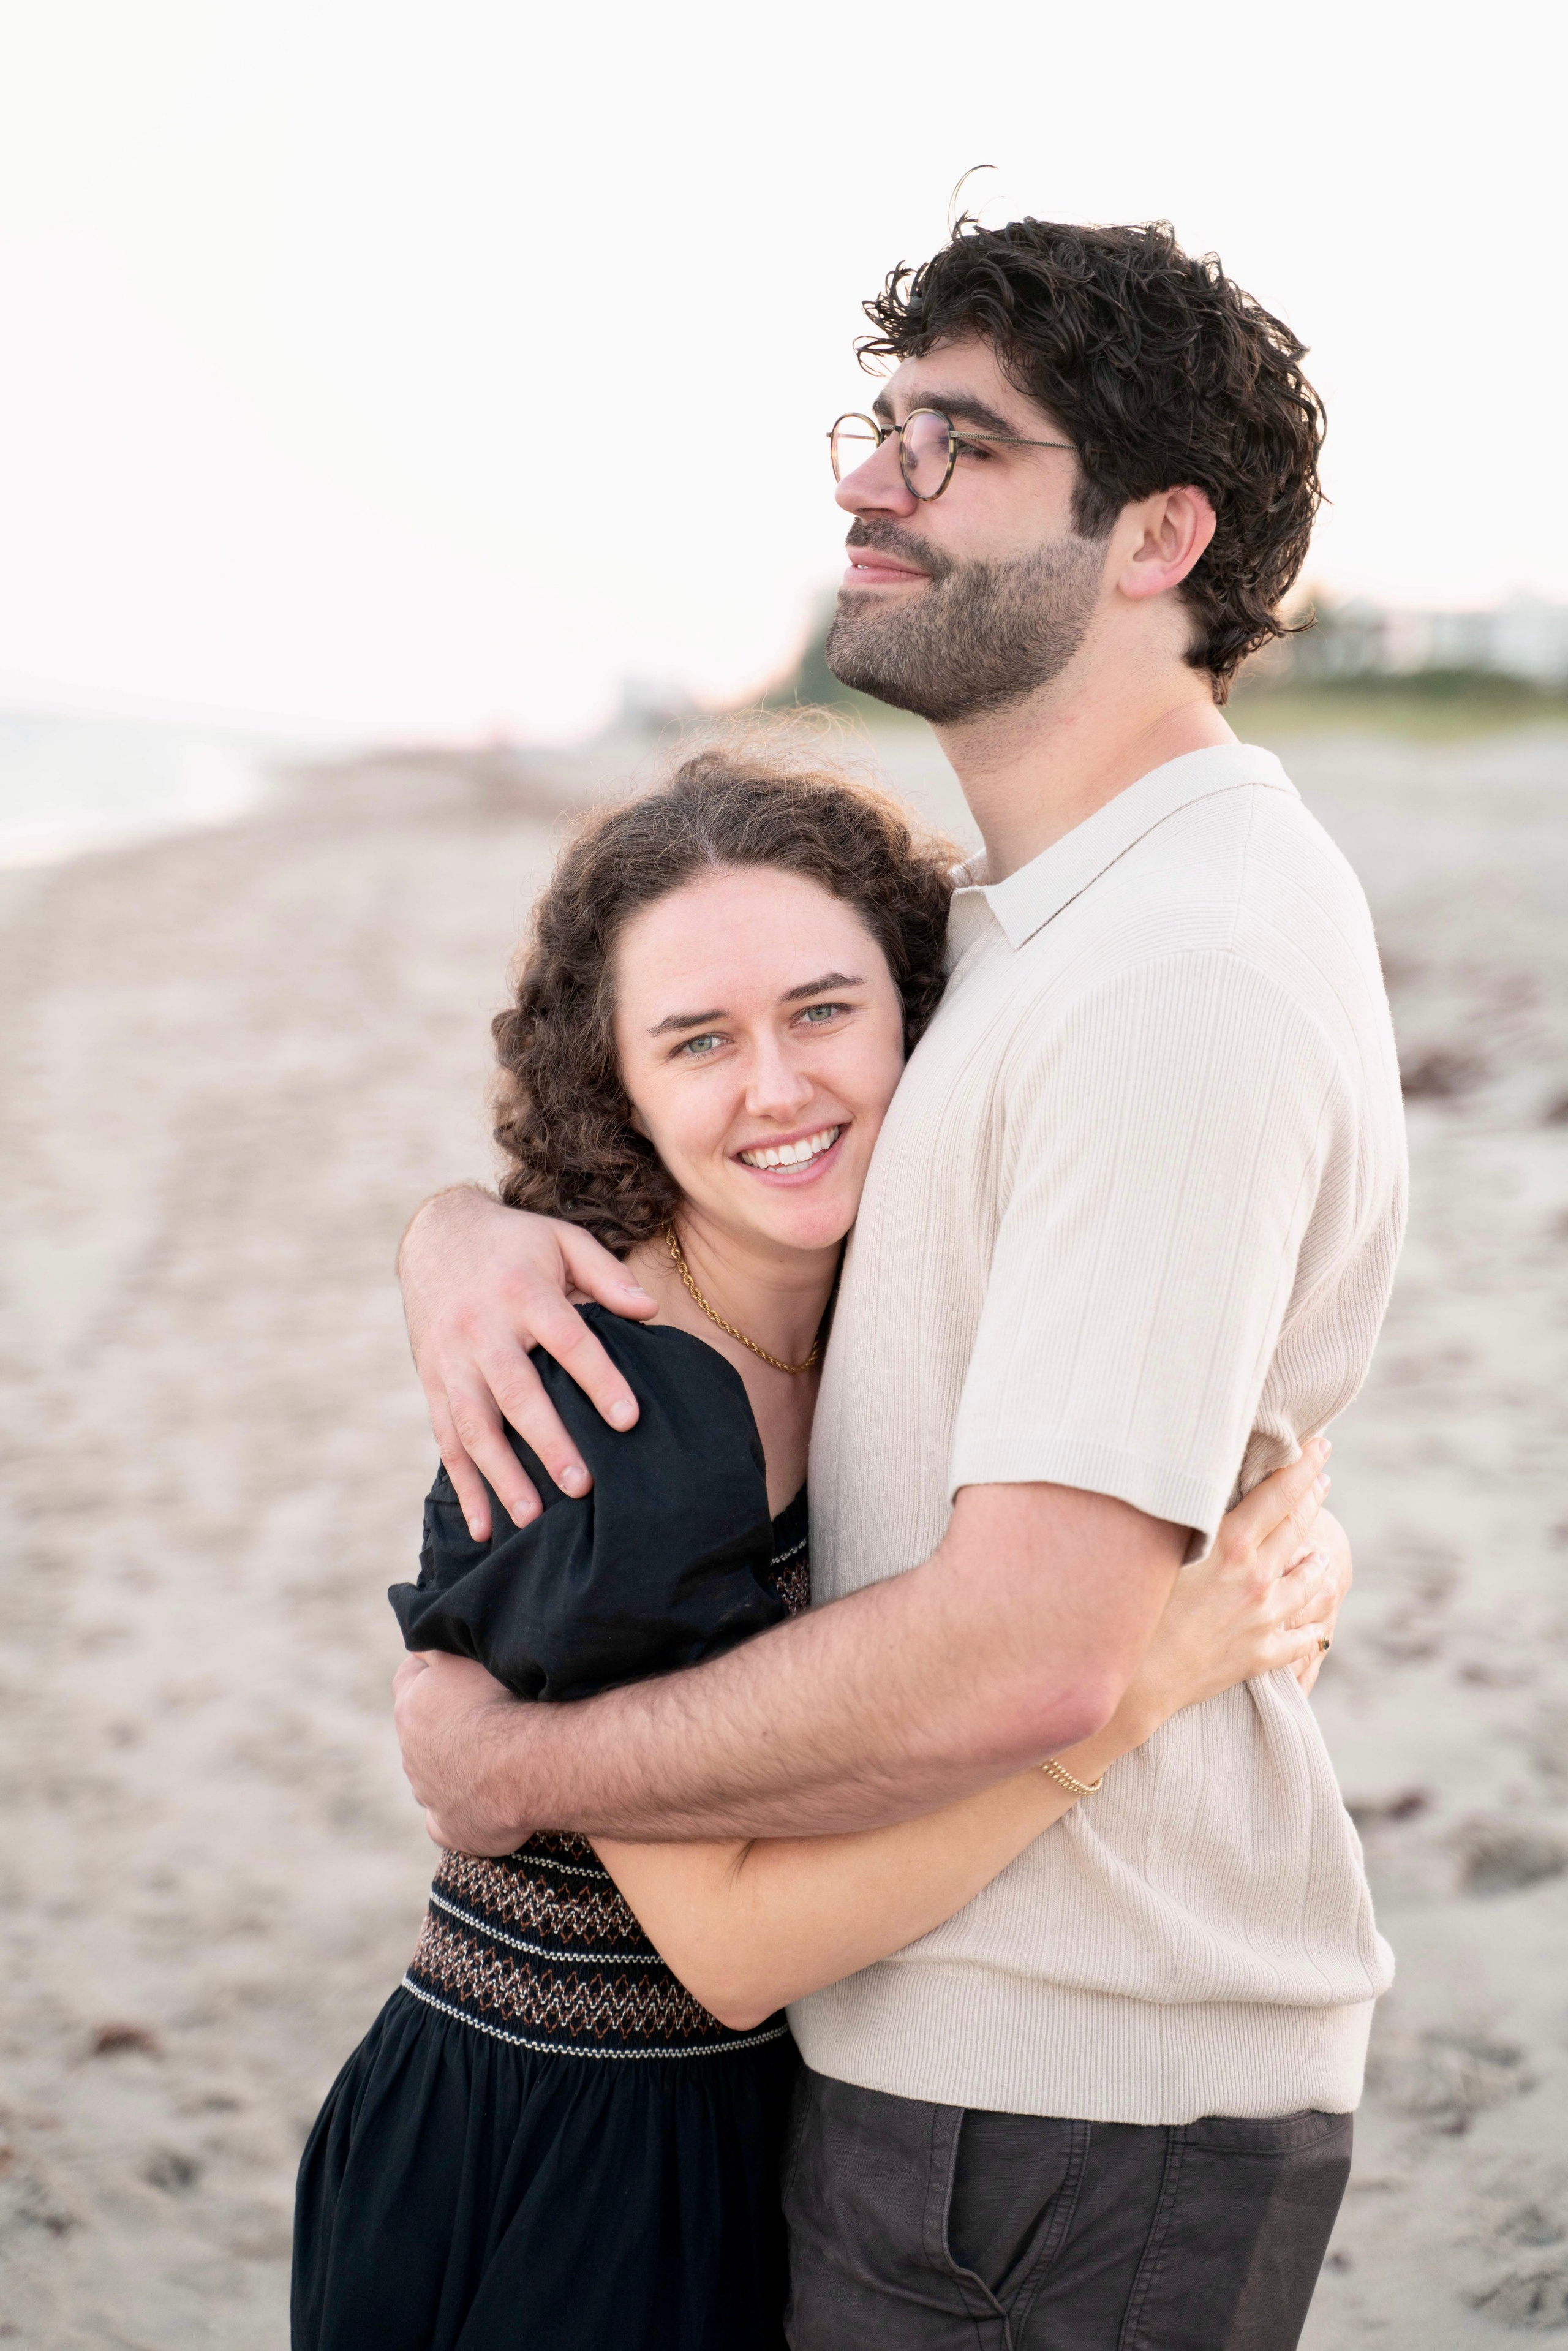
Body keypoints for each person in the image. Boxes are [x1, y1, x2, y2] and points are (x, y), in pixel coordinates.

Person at [393, 217, 1406, 2349]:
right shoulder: (1033, 926)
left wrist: (520, 1774)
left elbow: (1032, 1660)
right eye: (885, 425)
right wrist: (457, 1234)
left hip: (1065, 2112)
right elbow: (723, 1092)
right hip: (974, 2079)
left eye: (958, 443)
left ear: (1159, 536)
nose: (872, 481)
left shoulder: (1175, 972)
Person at [293, 753, 1344, 2350]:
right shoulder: (611, 1404)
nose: (776, 1089)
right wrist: (1137, 1686)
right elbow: (727, 1950)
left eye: (822, 1011)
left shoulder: (888, 1330)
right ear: (618, 1087)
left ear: (924, 1014)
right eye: (697, 1043)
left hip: (756, 2136)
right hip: (558, 2161)